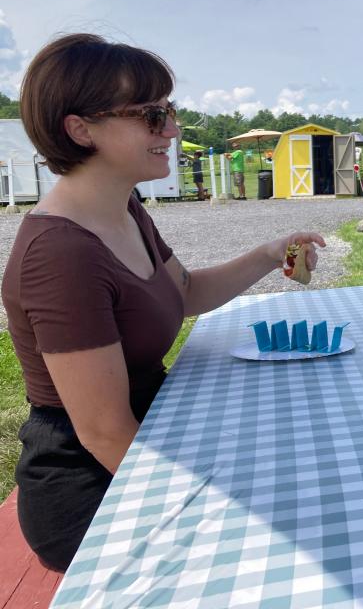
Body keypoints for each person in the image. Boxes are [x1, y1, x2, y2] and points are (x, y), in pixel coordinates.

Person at [0, 33, 326, 571]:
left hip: (156, 433)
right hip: (95, 492)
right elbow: (104, 431)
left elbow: (188, 292)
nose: (171, 129)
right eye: (151, 116)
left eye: (169, 111)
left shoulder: (124, 208)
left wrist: (270, 253)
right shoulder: (60, 255)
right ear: (80, 130)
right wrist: (224, 513)